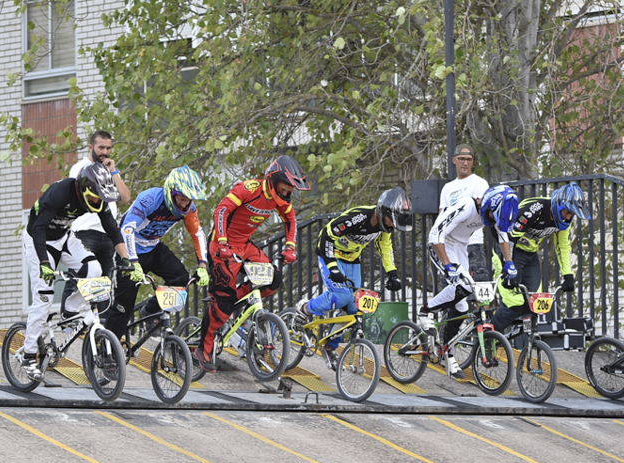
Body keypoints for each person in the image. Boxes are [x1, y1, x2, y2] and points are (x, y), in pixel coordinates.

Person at [195, 155, 311, 372]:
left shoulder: (282, 199)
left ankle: (235, 302)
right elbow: (222, 210)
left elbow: (291, 219)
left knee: (274, 279)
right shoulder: (249, 189)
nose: (288, 194)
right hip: (222, 246)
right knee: (222, 303)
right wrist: (221, 242)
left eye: (290, 190)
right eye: (285, 188)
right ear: (274, 180)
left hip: (245, 245)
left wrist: (290, 247)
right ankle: (204, 347)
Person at [21, 162, 133, 381]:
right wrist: (44, 262)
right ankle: (27, 355)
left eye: (100, 199)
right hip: (38, 239)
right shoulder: (60, 192)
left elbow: (113, 231)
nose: (96, 203)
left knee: (94, 268)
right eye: (94, 198)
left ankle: (70, 311)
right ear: (83, 188)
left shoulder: (98, 200)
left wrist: (128, 261)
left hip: (64, 236)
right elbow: (37, 228)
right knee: (43, 298)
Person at [292, 188, 411, 354]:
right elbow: (327, 236)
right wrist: (332, 267)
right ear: (382, 211)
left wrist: (392, 274)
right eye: (392, 220)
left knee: (355, 307)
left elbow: (385, 247)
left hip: (352, 259)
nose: (392, 225)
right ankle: (305, 308)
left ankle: (330, 347)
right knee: (342, 296)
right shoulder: (359, 217)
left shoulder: (385, 227)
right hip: (330, 253)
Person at [106, 166, 210, 342]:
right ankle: (106, 350)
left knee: (181, 278)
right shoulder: (150, 198)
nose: (185, 204)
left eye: (189, 200)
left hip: (153, 247)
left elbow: (197, 233)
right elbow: (127, 229)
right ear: (171, 191)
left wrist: (202, 265)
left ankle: (151, 310)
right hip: (127, 249)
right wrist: (132, 261)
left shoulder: (189, 208)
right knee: (124, 306)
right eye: (182, 199)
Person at [489, 182, 591, 339]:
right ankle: (488, 337)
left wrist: (568, 275)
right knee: (514, 303)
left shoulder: (564, 222)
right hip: (509, 251)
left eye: (573, 214)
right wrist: (508, 266)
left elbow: (563, 246)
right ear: (558, 205)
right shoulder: (534, 209)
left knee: (537, 303)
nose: (569, 217)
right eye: (568, 212)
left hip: (530, 255)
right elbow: (508, 238)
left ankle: (528, 344)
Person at [423, 178, 492, 376]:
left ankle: (448, 354)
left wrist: (509, 265)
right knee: (461, 285)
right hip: (441, 243)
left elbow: (502, 237)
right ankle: (425, 311)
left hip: (461, 246)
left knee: (461, 306)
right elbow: (436, 233)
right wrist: (447, 265)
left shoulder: (490, 214)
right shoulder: (466, 206)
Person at [68, 131, 131, 278]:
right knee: (80, 281)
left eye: (108, 148)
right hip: (85, 231)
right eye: (101, 147)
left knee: (105, 287)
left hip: (107, 235)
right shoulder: (81, 167)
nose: (105, 152)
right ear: (91, 147)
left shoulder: (109, 170)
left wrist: (114, 171)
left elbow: (125, 197)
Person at [440, 144, 489, 279]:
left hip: (473, 242)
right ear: (454, 160)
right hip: (449, 244)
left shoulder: (480, 183)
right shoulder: (447, 188)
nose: (465, 163)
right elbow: (441, 217)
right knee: (451, 286)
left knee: (477, 287)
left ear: (473, 162)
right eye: (461, 159)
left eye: (469, 159)